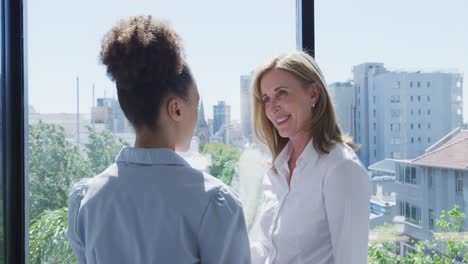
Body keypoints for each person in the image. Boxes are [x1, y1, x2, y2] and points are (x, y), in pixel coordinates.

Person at [67, 15, 250, 264]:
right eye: (195, 105)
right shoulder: (214, 203)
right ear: (176, 109)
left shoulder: (86, 201)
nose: (197, 118)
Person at [249, 51, 371, 264]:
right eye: (266, 99)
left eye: (282, 93)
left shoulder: (341, 168)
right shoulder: (276, 170)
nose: (272, 107)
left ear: (313, 94)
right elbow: (269, 249)